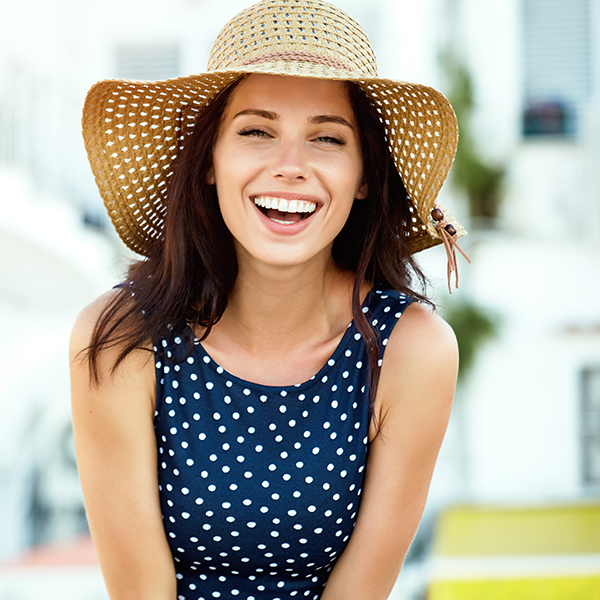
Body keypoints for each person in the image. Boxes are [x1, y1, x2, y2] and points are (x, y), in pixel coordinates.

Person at [70, 1, 464, 598]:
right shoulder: (122, 337)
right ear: (209, 160)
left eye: (327, 139)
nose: (290, 168)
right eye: (256, 131)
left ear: (363, 177)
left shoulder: (411, 351)